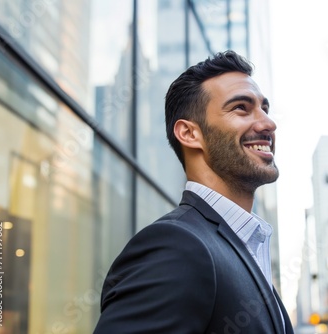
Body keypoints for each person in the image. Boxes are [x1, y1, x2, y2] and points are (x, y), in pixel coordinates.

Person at [94, 50, 294, 334]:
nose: (267, 123)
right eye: (241, 107)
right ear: (189, 134)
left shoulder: (242, 247)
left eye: (265, 108)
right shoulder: (175, 246)